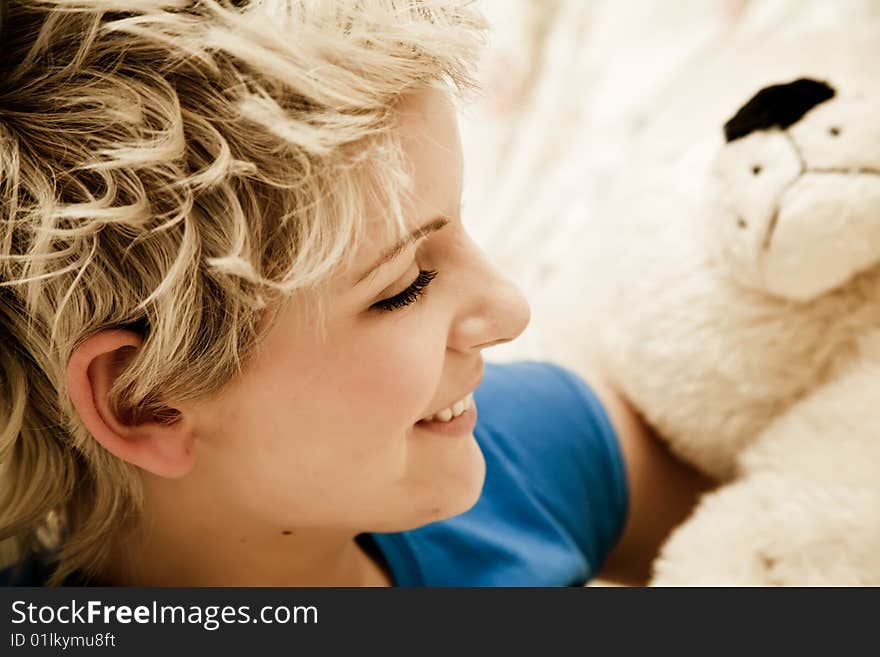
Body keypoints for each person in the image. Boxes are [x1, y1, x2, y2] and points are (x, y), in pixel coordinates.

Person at [0, 0, 710, 587]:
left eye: (461, 225)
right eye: (407, 286)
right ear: (145, 397)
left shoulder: (532, 449)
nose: (510, 309)